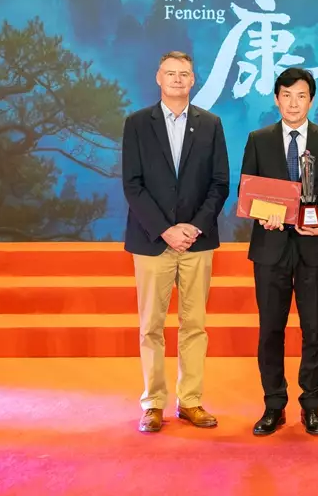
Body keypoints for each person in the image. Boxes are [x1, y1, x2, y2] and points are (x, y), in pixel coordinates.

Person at [240, 67, 318, 437]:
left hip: (314, 249)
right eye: (286, 95)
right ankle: (274, 405)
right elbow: (246, 191)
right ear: (276, 99)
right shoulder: (258, 140)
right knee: (270, 330)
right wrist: (263, 214)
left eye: (301, 96)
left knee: (314, 330)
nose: (293, 103)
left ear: (311, 100)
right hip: (270, 249)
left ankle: (311, 405)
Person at [121, 51, 230, 433]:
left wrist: (194, 227)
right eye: (171, 73)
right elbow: (132, 184)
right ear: (158, 77)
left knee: (194, 325)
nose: (178, 79)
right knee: (150, 326)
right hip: (152, 240)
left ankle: (191, 401)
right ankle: (153, 403)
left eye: (184, 74)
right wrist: (165, 229)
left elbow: (219, 184)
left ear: (193, 80)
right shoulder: (137, 124)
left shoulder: (211, 124)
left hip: (197, 242)